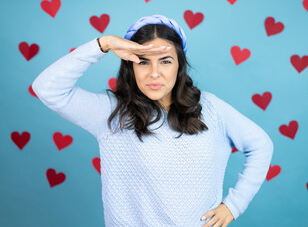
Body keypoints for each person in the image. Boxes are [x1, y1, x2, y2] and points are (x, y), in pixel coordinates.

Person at [32, 14, 274, 227]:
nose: (154, 73)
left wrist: (233, 206)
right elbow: (46, 88)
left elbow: (261, 145)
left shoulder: (210, 108)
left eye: (165, 61)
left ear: (179, 66)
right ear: (130, 66)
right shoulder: (111, 114)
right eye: (143, 61)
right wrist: (103, 44)